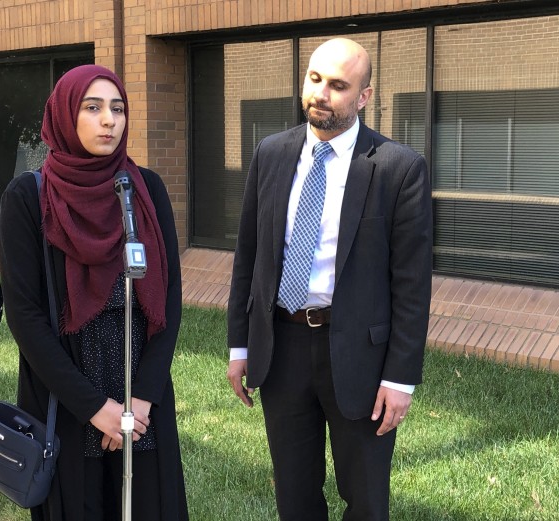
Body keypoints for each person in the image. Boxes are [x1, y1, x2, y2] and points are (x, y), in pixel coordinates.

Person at [226, 38, 432, 520]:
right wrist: (241, 346)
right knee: (294, 496)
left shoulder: (398, 169)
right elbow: (249, 256)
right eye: (315, 79)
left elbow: (411, 286)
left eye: (339, 85)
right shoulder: (271, 154)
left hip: (360, 353)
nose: (322, 93)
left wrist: (400, 378)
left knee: (364, 499)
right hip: (282, 347)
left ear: (364, 96)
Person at [0, 64, 188, 521]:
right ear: (65, 115)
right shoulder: (28, 197)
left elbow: (170, 299)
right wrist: (95, 408)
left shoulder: (145, 189)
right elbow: (25, 317)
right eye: (93, 107)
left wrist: (140, 400)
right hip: (65, 392)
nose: (109, 120)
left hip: (140, 390)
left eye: (118, 108)